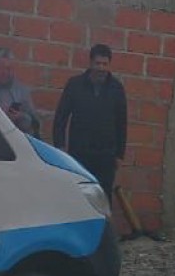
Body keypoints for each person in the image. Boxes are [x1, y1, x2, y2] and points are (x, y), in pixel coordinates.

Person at [52, 43, 128, 197]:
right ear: (90, 63)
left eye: (104, 64)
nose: (101, 68)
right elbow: (61, 117)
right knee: (77, 197)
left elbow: (121, 123)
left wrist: (120, 154)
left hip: (105, 156)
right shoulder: (75, 85)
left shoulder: (116, 89)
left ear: (109, 65)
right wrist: (59, 146)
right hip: (79, 154)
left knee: (102, 198)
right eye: (97, 63)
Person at [0, 45, 41, 137]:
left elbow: (34, 124)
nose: (4, 72)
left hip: (13, 142)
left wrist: (20, 117)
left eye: (8, 68)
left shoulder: (21, 91)